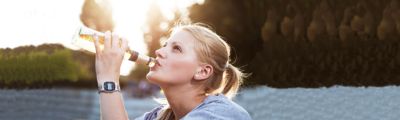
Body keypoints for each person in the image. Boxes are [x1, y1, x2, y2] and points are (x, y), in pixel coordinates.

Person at [93, 23, 252, 120]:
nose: (159, 52)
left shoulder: (222, 115)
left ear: (202, 72)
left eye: (176, 49)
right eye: (165, 45)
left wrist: (109, 79)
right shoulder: (157, 117)